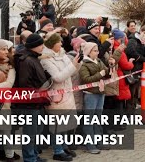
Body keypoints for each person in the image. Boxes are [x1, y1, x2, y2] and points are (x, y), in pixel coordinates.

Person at [40, 33, 79, 161]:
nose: (61, 44)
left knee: (66, 123)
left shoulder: (62, 54)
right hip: (56, 96)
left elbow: (71, 72)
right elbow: (57, 77)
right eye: (59, 42)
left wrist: (78, 62)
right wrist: (73, 65)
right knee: (56, 125)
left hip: (67, 93)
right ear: (52, 43)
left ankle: (64, 146)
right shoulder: (45, 59)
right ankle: (57, 150)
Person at [14, 34, 49, 162]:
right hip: (29, 103)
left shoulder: (34, 58)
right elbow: (25, 83)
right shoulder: (26, 60)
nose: (43, 47)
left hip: (37, 101)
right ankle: (29, 158)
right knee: (30, 133)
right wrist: (38, 92)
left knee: (36, 131)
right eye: (40, 44)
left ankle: (34, 155)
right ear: (34, 46)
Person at [79, 42, 115, 154]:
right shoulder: (84, 64)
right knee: (89, 120)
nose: (97, 52)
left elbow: (107, 72)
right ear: (88, 52)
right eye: (95, 51)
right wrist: (100, 74)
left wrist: (111, 66)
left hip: (100, 92)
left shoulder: (99, 61)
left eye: (97, 50)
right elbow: (86, 79)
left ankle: (98, 141)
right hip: (90, 94)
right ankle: (90, 144)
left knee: (98, 118)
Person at [125, 26, 145, 111]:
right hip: (132, 69)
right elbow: (131, 51)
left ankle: (133, 109)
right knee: (131, 92)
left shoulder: (142, 43)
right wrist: (144, 59)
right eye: (144, 33)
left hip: (139, 70)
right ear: (141, 31)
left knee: (136, 92)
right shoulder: (133, 40)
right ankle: (129, 111)